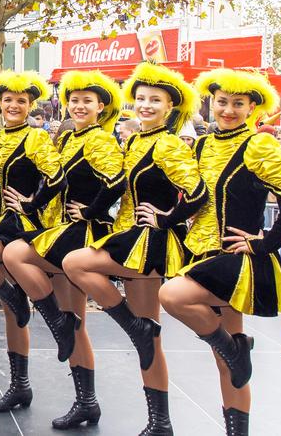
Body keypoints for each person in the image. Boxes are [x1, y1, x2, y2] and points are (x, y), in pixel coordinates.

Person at [62, 62, 207, 436]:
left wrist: (165, 218)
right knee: (151, 339)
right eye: (140, 98)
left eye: (154, 100)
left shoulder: (169, 143)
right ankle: (160, 422)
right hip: (130, 238)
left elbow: (197, 193)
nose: (145, 104)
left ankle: (132, 326)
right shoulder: (136, 140)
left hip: (150, 242)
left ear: (171, 107)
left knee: (76, 263)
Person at [159, 69, 281, 436]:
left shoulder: (258, 145)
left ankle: (236, 348)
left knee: (171, 296)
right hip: (200, 253)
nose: (228, 110)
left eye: (238, 103)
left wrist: (266, 242)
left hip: (235, 256)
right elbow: (195, 198)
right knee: (224, 359)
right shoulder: (205, 145)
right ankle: (237, 426)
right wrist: (166, 217)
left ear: (253, 107)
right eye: (222, 102)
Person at [1, 70, 125, 429]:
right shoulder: (70, 137)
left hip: (80, 234)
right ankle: (86, 400)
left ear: (102, 106)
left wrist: (92, 211)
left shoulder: (100, 139)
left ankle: (85, 393)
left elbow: (116, 181)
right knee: (75, 324)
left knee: (74, 319)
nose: (80, 105)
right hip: (59, 233)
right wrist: (35, 203)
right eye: (74, 100)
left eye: (87, 101)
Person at [0, 70, 66, 414]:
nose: (14, 105)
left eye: (21, 100)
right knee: (10, 312)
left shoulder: (35, 137)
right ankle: (20, 386)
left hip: (22, 225)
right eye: (8, 100)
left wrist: (32, 203)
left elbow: (57, 177)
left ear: (30, 104)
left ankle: (54, 318)